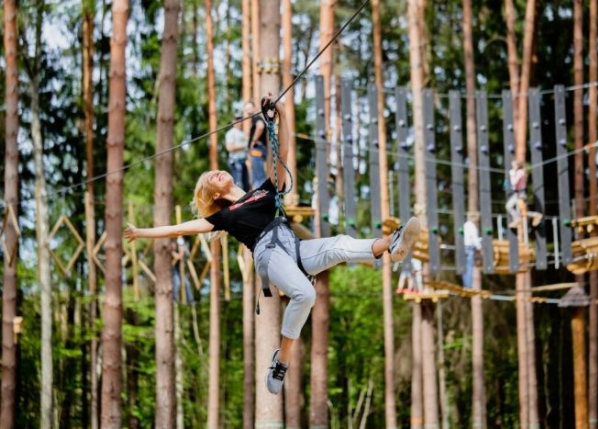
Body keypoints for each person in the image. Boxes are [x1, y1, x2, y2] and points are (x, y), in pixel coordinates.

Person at [124, 94, 421, 396]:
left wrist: (279, 118)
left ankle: (391, 243)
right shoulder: (225, 216)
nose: (216, 173)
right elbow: (180, 229)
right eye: (210, 179)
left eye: (214, 172)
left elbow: (282, 155)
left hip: (293, 247)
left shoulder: (264, 192)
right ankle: (282, 360)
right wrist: (141, 232)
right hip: (268, 255)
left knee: (340, 244)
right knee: (305, 293)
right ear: (214, 195)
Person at [506, 160, 543, 229]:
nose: (513, 167)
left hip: (521, 195)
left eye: (514, 165)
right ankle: (517, 219)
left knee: (523, 212)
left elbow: (514, 183)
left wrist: (512, 174)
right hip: (517, 194)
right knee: (509, 206)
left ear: (518, 165)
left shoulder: (520, 172)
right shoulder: (518, 172)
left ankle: (537, 215)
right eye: (512, 165)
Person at [244, 100, 268, 189]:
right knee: (257, 175)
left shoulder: (256, 117)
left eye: (250, 108)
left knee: (258, 176)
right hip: (258, 150)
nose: (248, 110)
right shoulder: (255, 119)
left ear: (254, 108)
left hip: (257, 149)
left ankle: (262, 195)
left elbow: (260, 126)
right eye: (246, 109)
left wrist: (253, 141)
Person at [225, 114, 250, 192]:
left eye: (240, 119)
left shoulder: (242, 133)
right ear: (233, 121)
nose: (239, 121)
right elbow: (229, 148)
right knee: (238, 185)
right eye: (236, 119)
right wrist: (244, 145)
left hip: (243, 161)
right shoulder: (231, 133)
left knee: (246, 185)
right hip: (235, 161)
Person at [172, 238, 195, 304]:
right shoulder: (173, 251)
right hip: (174, 270)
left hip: (180, 270)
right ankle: (174, 298)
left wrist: (182, 250)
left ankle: (190, 299)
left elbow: (181, 257)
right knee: (177, 283)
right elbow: (178, 257)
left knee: (187, 283)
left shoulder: (180, 250)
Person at [462, 212, 481, 289]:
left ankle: (466, 284)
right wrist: (479, 248)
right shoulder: (472, 226)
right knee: (469, 266)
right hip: (469, 247)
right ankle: (468, 285)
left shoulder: (465, 225)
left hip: (463, 247)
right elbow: (475, 239)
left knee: (465, 266)